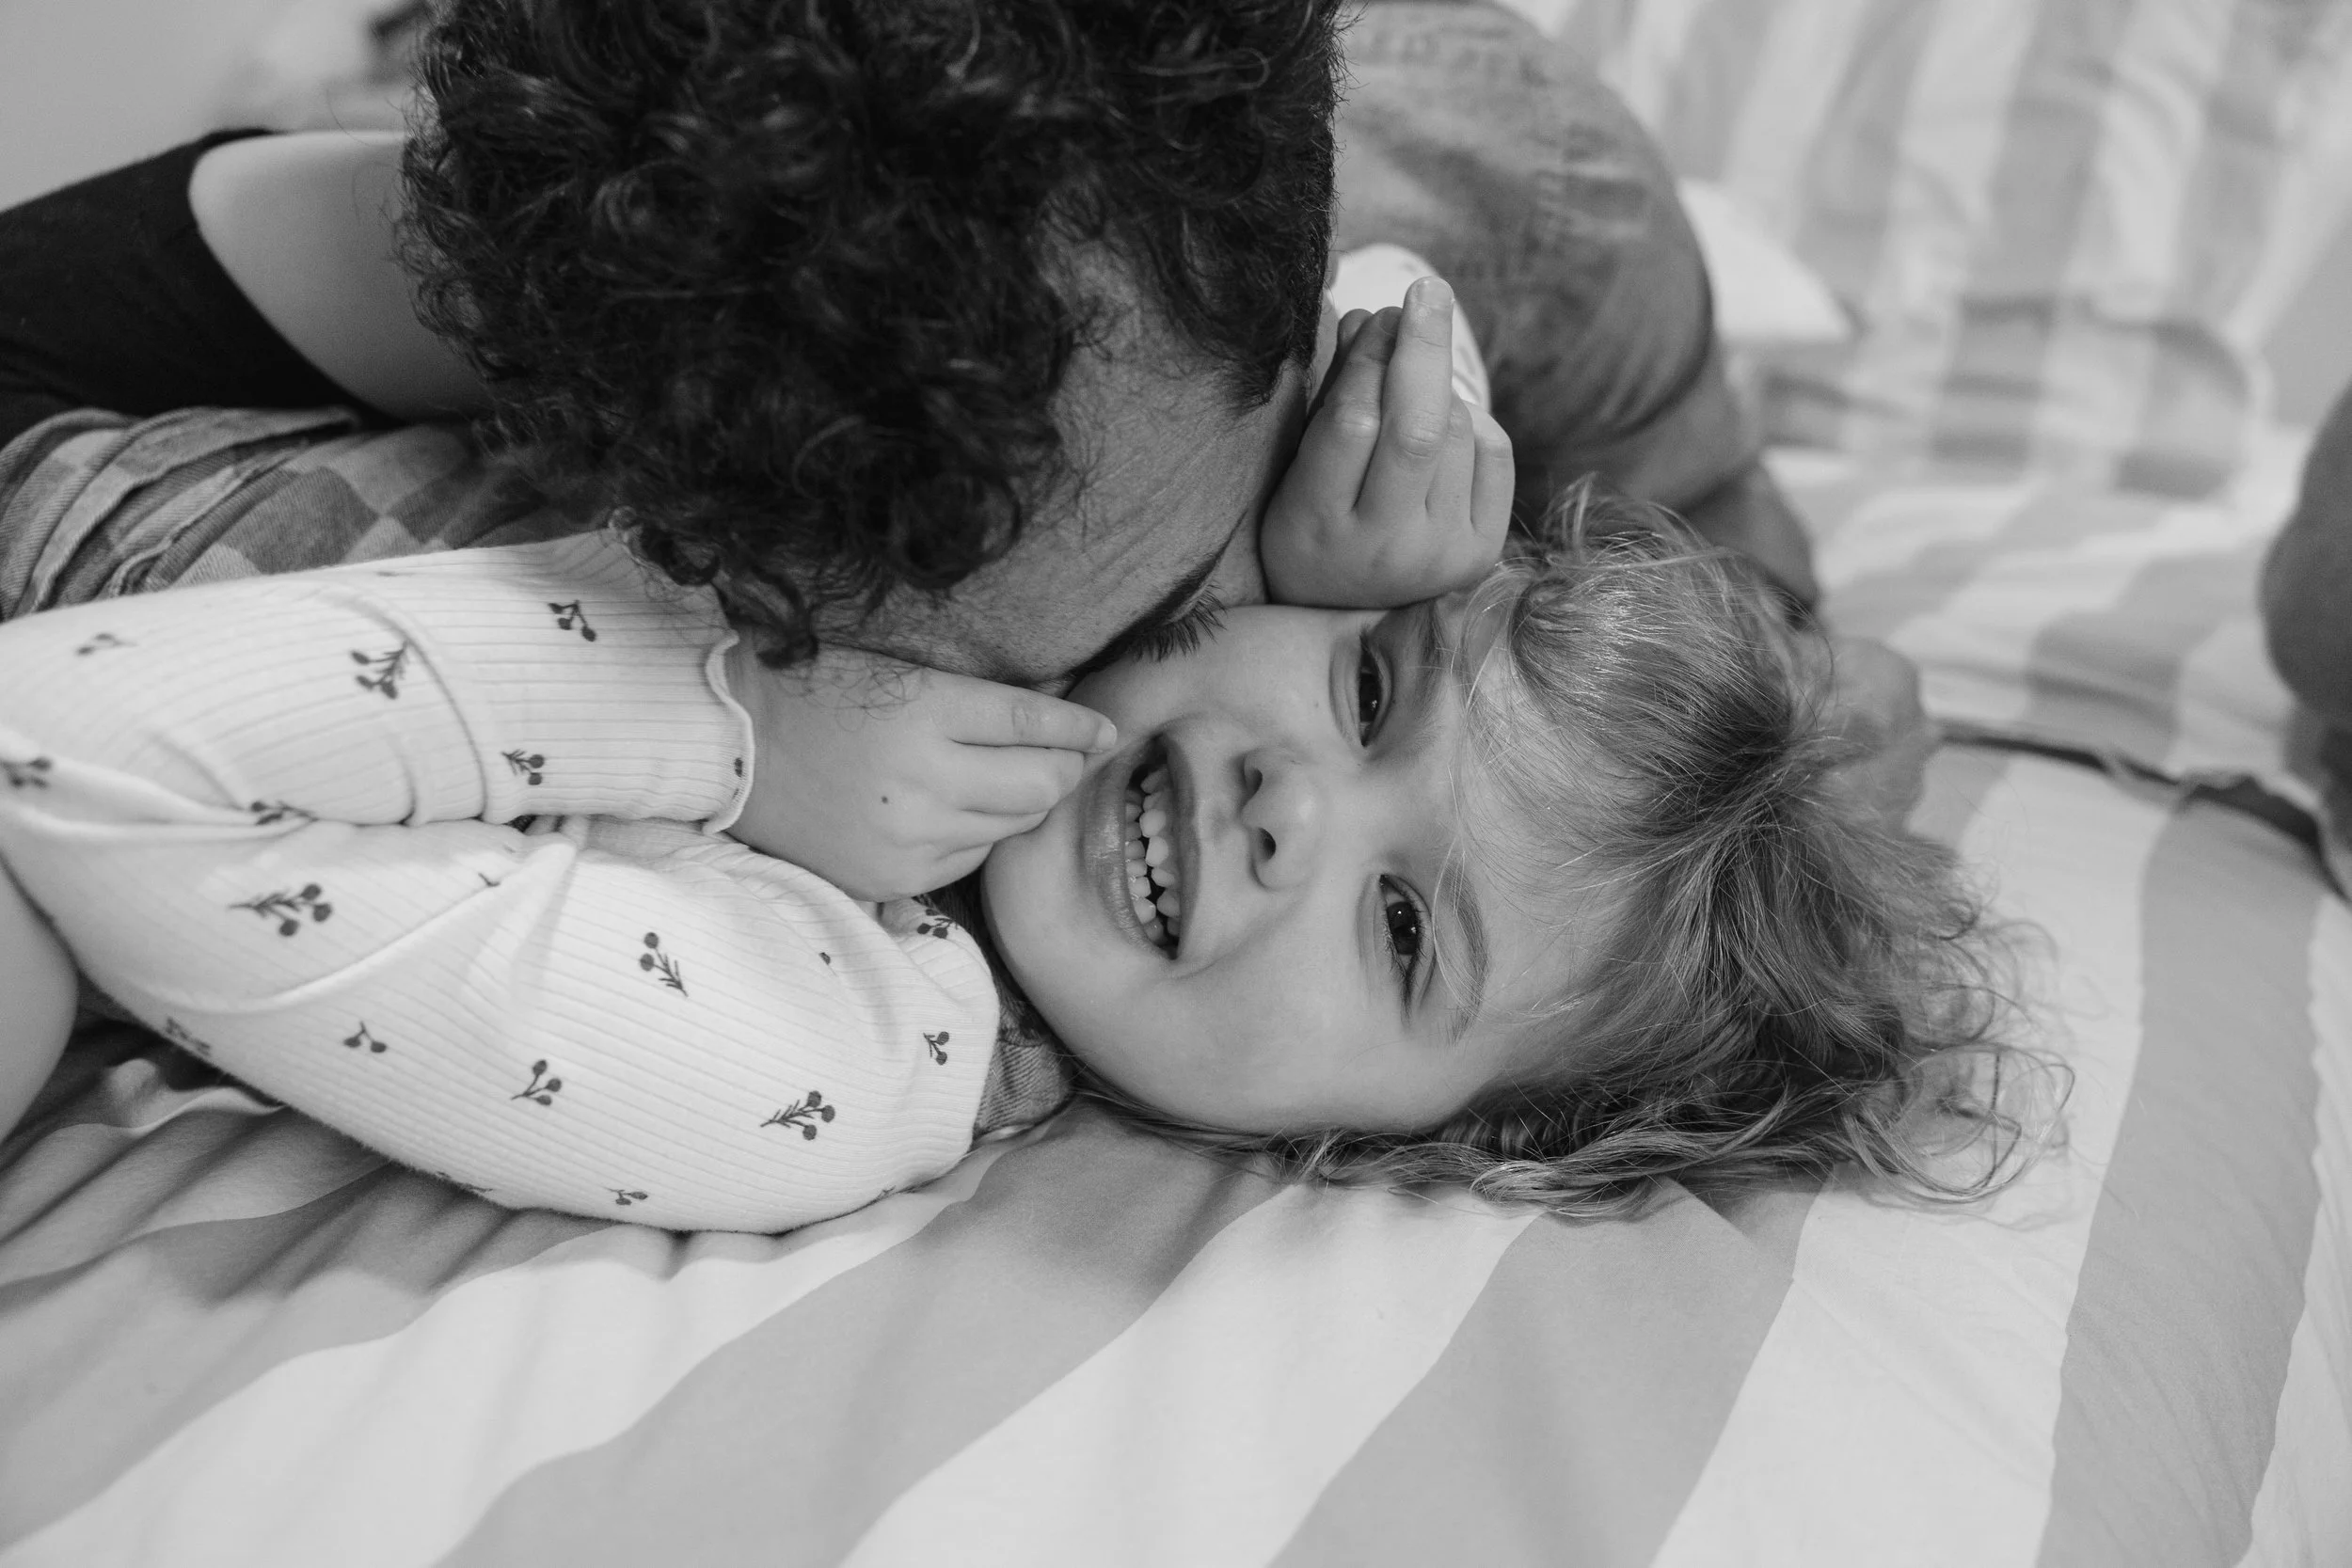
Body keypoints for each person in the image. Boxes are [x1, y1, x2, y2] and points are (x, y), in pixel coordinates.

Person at [0, 489, 2021, 1231]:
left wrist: (728, 722)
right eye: (1378, 680)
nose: (1290, 800)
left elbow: (57, 748)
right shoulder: (1102, 590)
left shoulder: (819, 1059)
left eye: (1403, 926)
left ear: (1434, 1136)